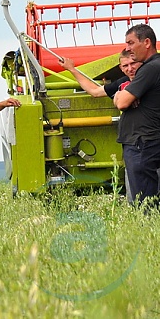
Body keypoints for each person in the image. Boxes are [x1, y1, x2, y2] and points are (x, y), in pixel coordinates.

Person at [58, 49, 142, 204]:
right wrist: (72, 69)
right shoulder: (122, 84)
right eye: (126, 65)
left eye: (133, 63)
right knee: (135, 187)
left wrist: (118, 99)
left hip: (152, 139)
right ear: (121, 68)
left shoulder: (152, 79)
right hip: (132, 141)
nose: (130, 68)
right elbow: (95, 91)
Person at [114, 24, 160, 207]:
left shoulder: (150, 68)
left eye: (131, 43)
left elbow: (123, 102)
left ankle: (149, 232)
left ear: (147, 42)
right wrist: (121, 95)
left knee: (145, 202)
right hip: (148, 140)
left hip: (143, 143)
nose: (128, 48)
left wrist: (121, 96)